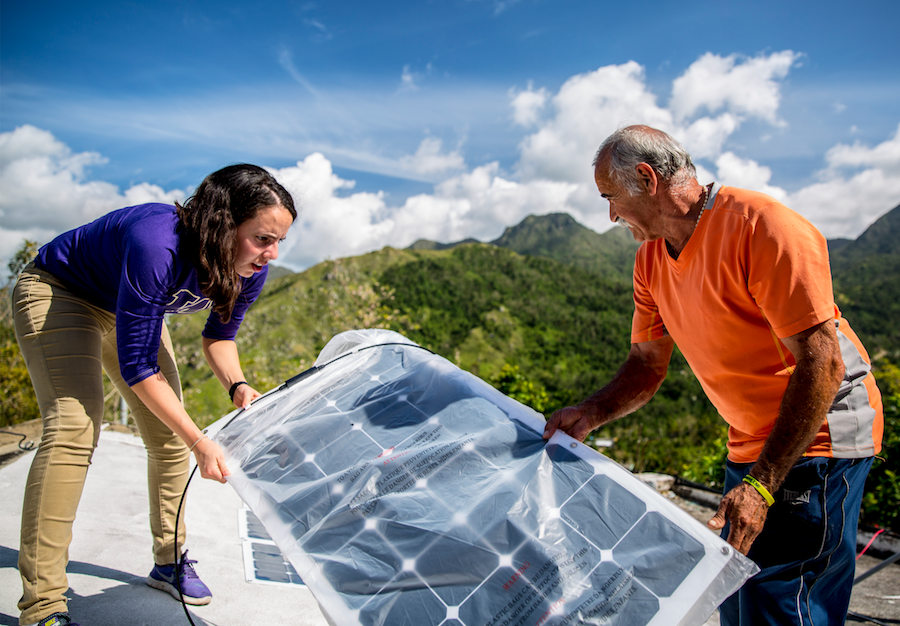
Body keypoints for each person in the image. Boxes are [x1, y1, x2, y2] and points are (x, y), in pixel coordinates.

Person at [543, 125, 883, 625]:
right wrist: (590, 413)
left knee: (784, 604)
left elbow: (823, 363)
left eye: (611, 197)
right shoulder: (650, 261)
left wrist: (763, 486)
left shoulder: (762, 227)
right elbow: (645, 364)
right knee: (736, 598)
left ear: (646, 178)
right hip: (748, 446)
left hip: (819, 439)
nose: (611, 214)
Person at [13, 164, 297, 626]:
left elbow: (219, 338)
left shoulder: (250, 269)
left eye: (280, 240)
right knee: (73, 430)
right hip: (60, 292)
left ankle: (168, 561)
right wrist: (200, 441)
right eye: (264, 238)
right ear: (225, 223)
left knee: (166, 440)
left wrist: (237, 386)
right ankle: (43, 605)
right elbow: (138, 367)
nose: (273, 253)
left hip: (126, 309)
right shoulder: (156, 241)